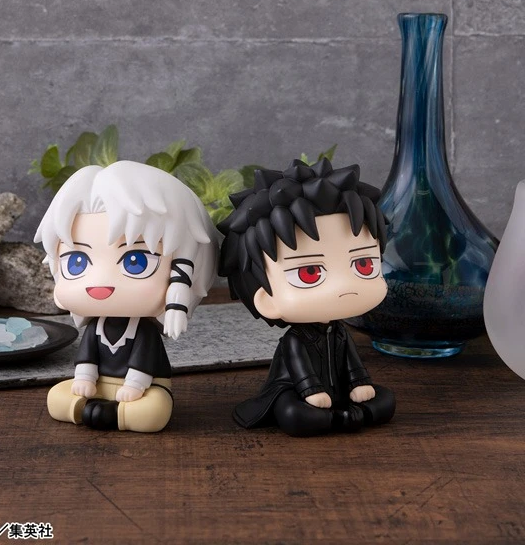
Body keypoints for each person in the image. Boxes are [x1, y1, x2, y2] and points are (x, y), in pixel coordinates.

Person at [35, 160, 218, 432]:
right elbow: (86, 357)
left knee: (153, 411)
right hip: (98, 385)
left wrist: (135, 385)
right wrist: (85, 378)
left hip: (144, 387)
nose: (100, 282)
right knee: (57, 396)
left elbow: (144, 362)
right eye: (77, 262)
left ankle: (115, 414)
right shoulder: (95, 327)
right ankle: (105, 411)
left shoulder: (144, 331)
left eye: (136, 261)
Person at [218, 158, 396, 437]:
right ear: (266, 299)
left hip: (339, 390)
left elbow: (352, 363)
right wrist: (310, 391)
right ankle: (339, 418)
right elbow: (300, 369)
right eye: (309, 273)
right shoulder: (295, 340)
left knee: (385, 399)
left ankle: (341, 416)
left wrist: (358, 383)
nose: (343, 285)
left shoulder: (340, 332)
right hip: (299, 391)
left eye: (363, 265)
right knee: (293, 413)